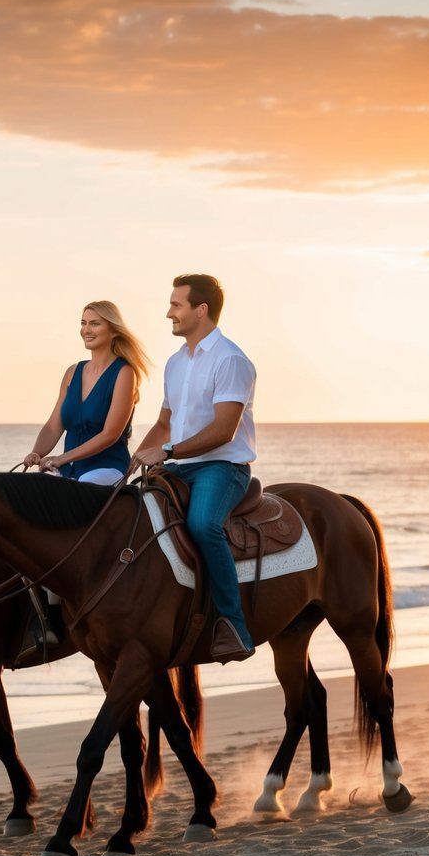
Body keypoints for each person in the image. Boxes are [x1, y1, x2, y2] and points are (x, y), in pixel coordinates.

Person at [135, 274, 257, 663]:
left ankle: (233, 625)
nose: (169, 312)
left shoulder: (231, 360)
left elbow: (224, 431)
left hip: (220, 467)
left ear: (200, 310)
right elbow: (163, 424)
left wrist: (168, 452)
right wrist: (136, 458)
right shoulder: (174, 363)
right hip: (178, 463)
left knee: (203, 525)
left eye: (176, 305)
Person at [23, 300, 150, 641]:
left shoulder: (125, 373)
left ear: (112, 329)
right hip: (70, 473)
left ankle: (79, 605)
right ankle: (47, 617)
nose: (87, 329)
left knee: (63, 525)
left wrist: (62, 460)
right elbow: (54, 425)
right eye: (83, 323)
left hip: (106, 469)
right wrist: (38, 451)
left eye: (95, 323)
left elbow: (111, 433)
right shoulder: (73, 371)